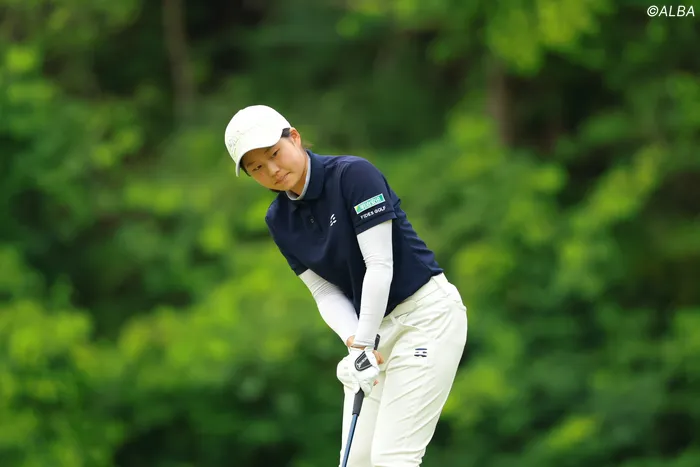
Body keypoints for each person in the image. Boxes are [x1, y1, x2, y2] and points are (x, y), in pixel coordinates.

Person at [224, 104, 468, 467]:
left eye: (274, 154)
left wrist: (363, 344)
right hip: (375, 333)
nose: (272, 170)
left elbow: (379, 265)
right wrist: (355, 342)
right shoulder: (279, 219)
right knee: (356, 460)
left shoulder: (353, 175)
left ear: (295, 138)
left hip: (426, 318)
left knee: (392, 459)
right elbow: (324, 291)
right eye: (257, 167)